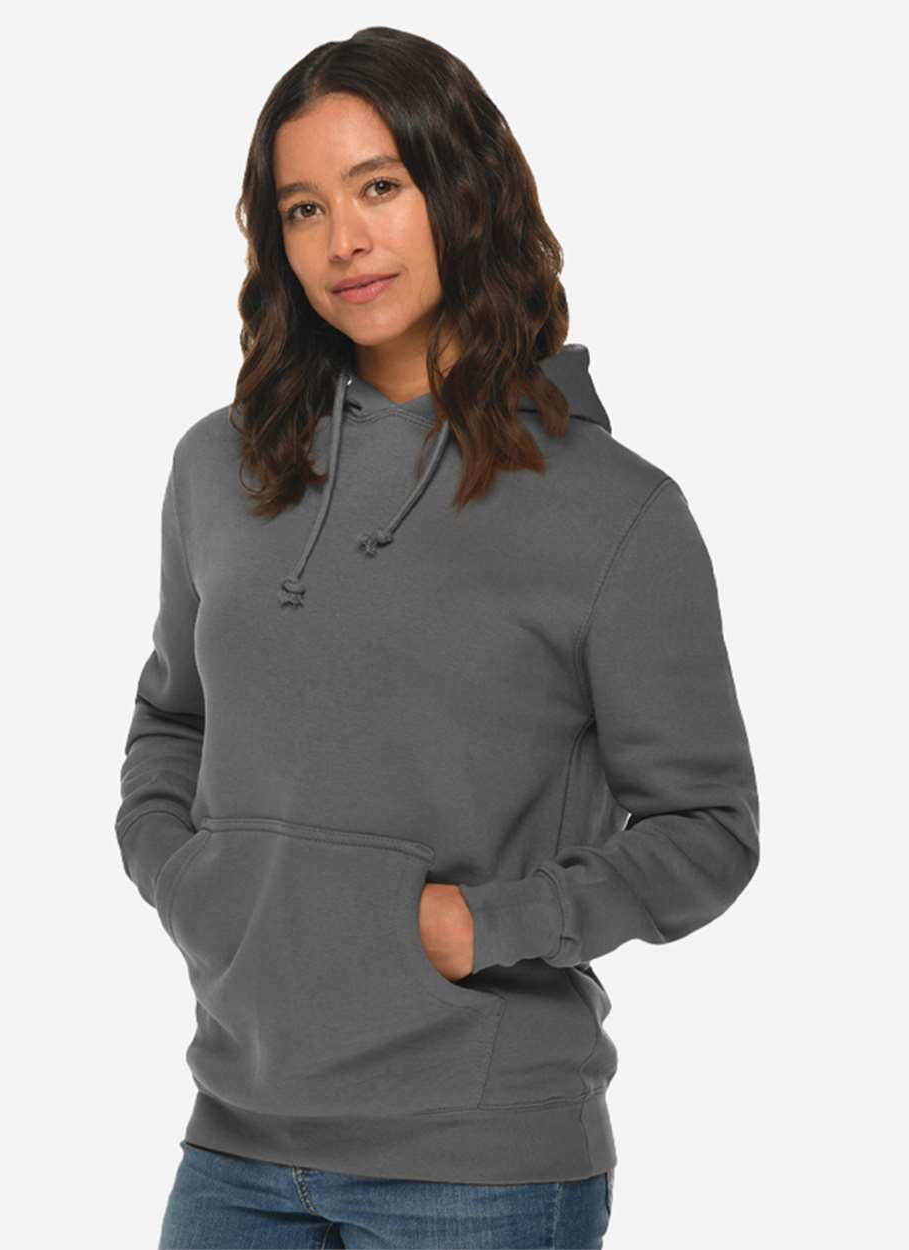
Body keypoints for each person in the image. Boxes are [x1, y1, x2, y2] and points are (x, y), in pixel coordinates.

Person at [115, 25, 760, 1250]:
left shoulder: (613, 510)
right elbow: (172, 717)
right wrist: (189, 877)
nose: (343, 241)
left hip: (481, 1164)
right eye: (303, 208)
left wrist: (490, 924)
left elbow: (708, 828)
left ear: (464, 192)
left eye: (379, 187)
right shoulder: (219, 466)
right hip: (235, 1138)